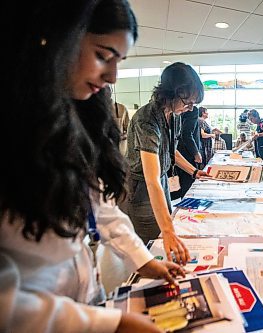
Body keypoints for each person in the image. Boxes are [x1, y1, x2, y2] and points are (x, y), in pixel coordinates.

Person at [0, 1, 184, 332]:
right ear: (55, 40)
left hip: (84, 297)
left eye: (119, 62)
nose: (112, 76)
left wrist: (144, 261)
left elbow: (98, 206)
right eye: (103, 56)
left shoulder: (77, 113)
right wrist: (108, 324)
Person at [126, 62, 209, 263]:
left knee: (168, 236)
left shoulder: (174, 115)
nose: (190, 108)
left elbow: (172, 153)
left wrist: (194, 172)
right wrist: (168, 231)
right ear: (171, 92)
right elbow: (151, 178)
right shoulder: (146, 119)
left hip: (160, 183)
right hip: (143, 189)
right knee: (155, 247)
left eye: (193, 104)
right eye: (187, 102)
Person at [171, 105, 202, 200]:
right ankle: (187, 210)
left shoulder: (176, 111)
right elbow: (187, 133)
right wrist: (196, 153)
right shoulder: (193, 110)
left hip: (178, 152)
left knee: (184, 186)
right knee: (188, 188)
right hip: (187, 154)